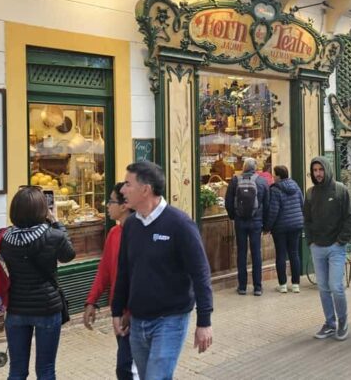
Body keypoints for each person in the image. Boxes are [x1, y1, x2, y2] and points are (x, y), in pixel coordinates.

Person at [112, 161, 213, 380]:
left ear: (145, 189)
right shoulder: (130, 225)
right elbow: (124, 270)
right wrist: (117, 310)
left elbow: (200, 273)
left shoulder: (180, 224)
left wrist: (204, 321)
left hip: (170, 320)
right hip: (138, 321)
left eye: (128, 184)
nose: (122, 190)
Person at [0, 186, 76, 380]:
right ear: (43, 210)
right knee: (46, 369)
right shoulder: (53, 236)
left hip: (16, 308)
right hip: (47, 308)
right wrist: (56, 222)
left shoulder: (3, 237)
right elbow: (69, 255)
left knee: (16, 370)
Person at [84, 182, 137, 380]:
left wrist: (131, 312)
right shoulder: (114, 233)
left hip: (137, 315)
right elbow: (104, 271)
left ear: (124, 206)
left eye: (111, 201)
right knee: (125, 367)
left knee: (128, 368)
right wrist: (91, 301)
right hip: (119, 313)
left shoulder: (139, 235)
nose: (107, 205)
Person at [304, 156, 351, 341]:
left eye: (321, 169)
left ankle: (343, 321)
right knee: (323, 288)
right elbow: (307, 220)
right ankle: (329, 322)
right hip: (317, 247)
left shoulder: (340, 190)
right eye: (315, 170)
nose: (318, 174)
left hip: (336, 247)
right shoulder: (310, 193)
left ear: (326, 169)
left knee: (336, 287)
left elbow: (350, 217)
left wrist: (341, 241)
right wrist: (310, 241)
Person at [225, 157, 270, 296]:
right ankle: (257, 287)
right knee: (256, 254)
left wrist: (234, 216)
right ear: (255, 167)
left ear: (244, 167)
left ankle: (242, 286)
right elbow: (267, 204)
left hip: (240, 222)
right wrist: (265, 223)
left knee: (242, 253)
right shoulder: (262, 181)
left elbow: (228, 202)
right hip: (256, 222)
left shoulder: (234, 181)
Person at [264, 165, 304, 293]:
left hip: (280, 227)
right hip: (296, 225)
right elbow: (302, 204)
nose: (272, 177)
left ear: (279, 176)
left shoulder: (275, 190)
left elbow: (273, 211)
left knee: (281, 255)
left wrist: (267, 227)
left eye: (274, 175)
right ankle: (296, 284)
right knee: (294, 254)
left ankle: (283, 285)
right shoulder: (295, 186)